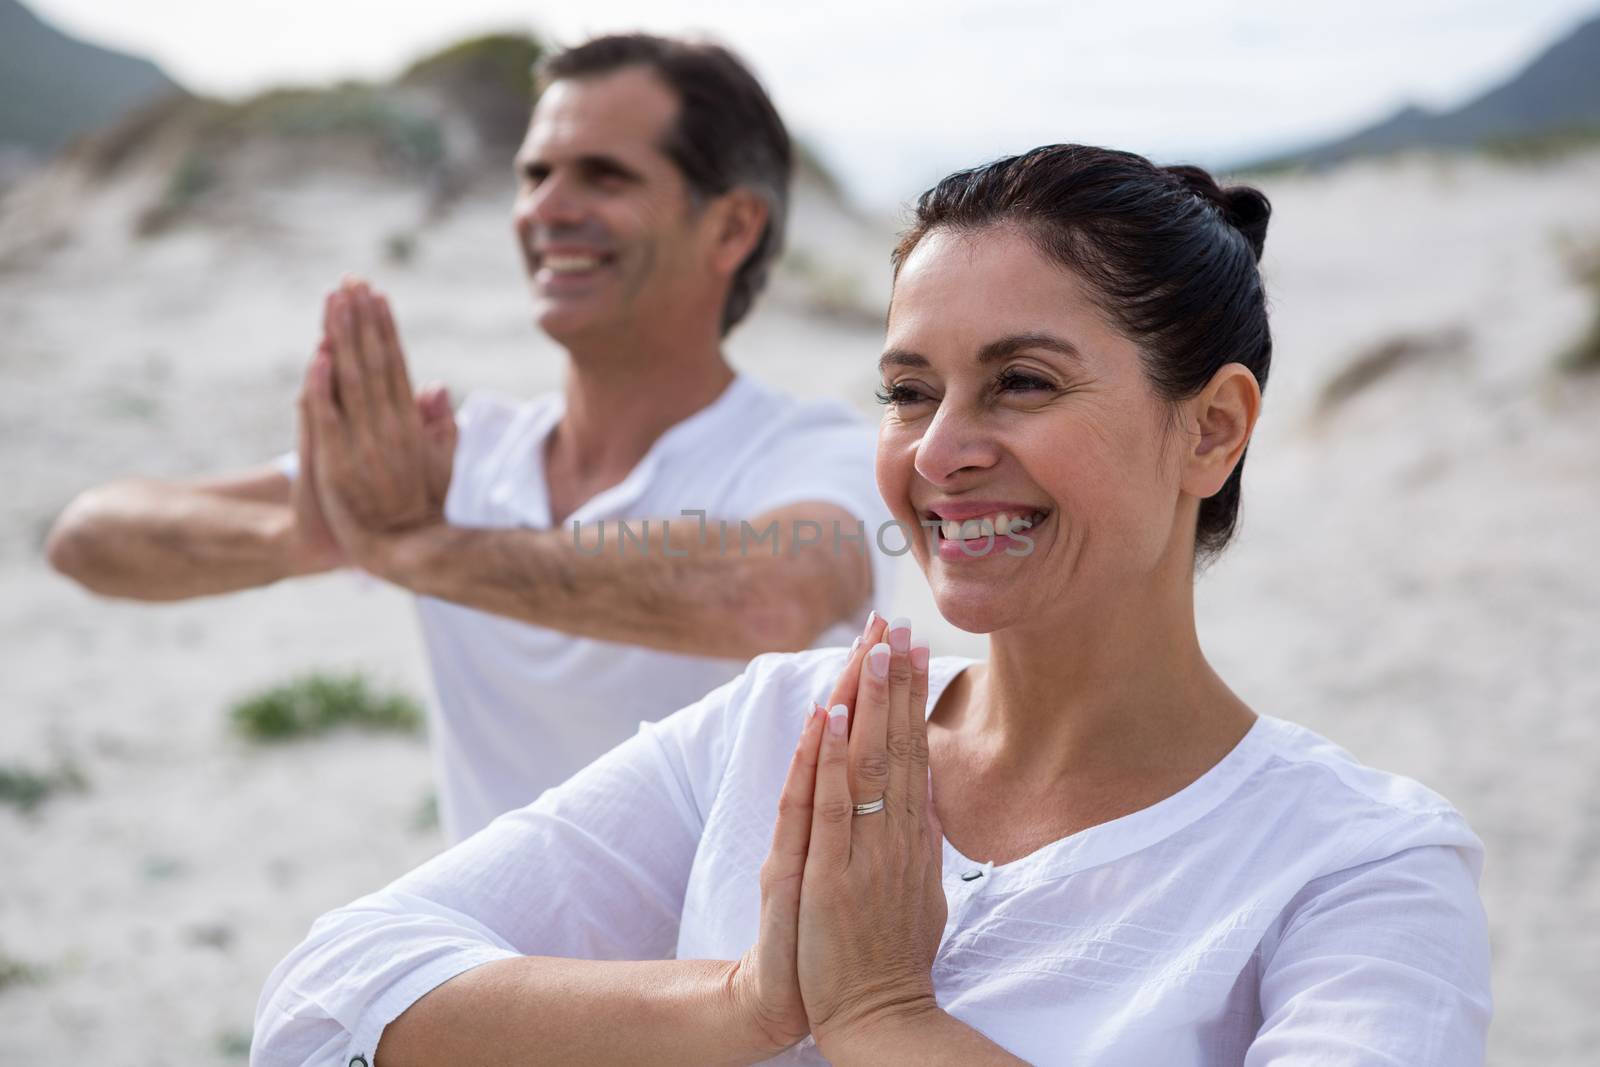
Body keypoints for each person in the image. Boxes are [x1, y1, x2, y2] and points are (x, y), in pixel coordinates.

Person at [250, 145, 1491, 1066]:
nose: (940, 449)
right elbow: (325, 995)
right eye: (907, 390)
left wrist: (887, 1016)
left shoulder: (1356, 861)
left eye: (1020, 381)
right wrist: (743, 1002)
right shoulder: (789, 720)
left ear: (1210, 428)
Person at [44, 34, 894, 842]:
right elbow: (88, 534)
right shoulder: (467, 452)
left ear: (732, 228)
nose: (546, 210)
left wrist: (413, 548)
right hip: (494, 983)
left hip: (728, 987)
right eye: (535, 174)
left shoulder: (809, 447)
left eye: (603, 176)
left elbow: (769, 595)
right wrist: (302, 536)